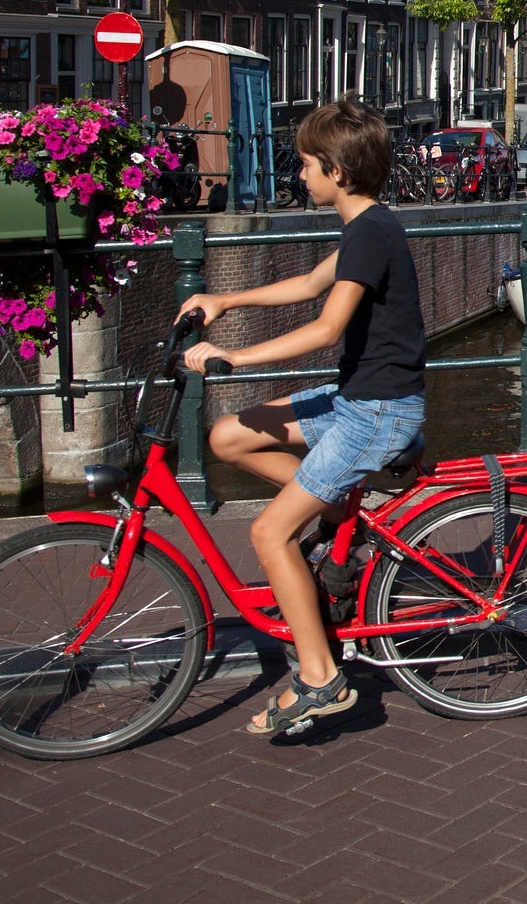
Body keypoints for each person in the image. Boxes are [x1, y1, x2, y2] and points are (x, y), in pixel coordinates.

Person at [179, 98, 427, 735]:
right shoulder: (365, 225)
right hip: (357, 401)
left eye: (308, 165)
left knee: (269, 534)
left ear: (337, 171)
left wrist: (232, 356)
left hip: (377, 414)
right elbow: (311, 286)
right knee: (229, 435)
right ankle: (337, 509)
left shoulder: (371, 232)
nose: (301, 176)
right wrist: (224, 300)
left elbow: (327, 326)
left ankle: (321, 678)